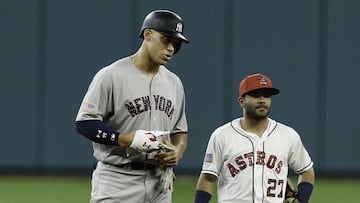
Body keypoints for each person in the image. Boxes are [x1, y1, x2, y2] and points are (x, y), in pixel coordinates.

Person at [75, 9, 189, 203]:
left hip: (159, 183)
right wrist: (124, 139)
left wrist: (177, 151)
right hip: (118, 179)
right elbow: (85, 124)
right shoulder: (111, 75)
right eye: (166, 40)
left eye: (176, 44)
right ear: (148, 34)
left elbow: (180, 131)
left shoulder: (174, 83)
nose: (171, 48)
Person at [194, 73, 315, 203]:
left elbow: (307, 171)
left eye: (267, 96)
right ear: (242, 101)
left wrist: (302, 200)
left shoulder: (288, 135)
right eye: (256, 95)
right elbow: (208, 178)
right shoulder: (222, 135)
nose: (262, 100)